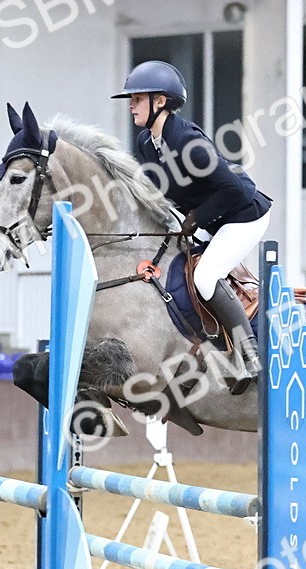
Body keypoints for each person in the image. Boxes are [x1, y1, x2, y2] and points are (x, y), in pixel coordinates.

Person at [112, 60, 272, 395]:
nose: (131, 104)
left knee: (205, 276)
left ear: (161, 102)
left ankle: (251, 355)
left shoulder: (186, 141)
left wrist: (194, 220)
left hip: (243, 214)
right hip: (212, 218)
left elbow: (231, 190)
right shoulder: (146, 143)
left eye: (138, 98)